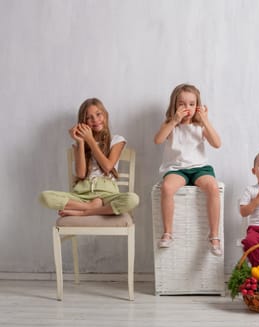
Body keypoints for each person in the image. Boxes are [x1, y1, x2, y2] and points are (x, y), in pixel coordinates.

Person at [39, 98, 139, 217]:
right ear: (83, 122)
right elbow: (81, 174)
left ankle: (85, 212)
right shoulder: (80, 144)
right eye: (89, 117)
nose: (95, 120)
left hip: (107, 195)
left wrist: (90, 140)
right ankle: (89, 207)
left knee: (132, 199)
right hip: (81, 195)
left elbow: (107, 166)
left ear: (105, 115)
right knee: (44, 197)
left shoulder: (117, 140)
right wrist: (81, 142)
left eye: (98, 114)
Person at [154, 83, 222, 256]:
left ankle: (214, 235)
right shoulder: (171, 124)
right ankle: (168, 232)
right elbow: (158, 140)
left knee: (213, 187)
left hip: (200, 168)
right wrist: (174, 120)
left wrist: (205, 120)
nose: (187, 108)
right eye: (182, 104)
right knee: (167, 188)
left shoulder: (200, 126)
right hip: (177, 169)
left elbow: (217, 143)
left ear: (197, 106)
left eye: (192, 104)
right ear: (174, 105)